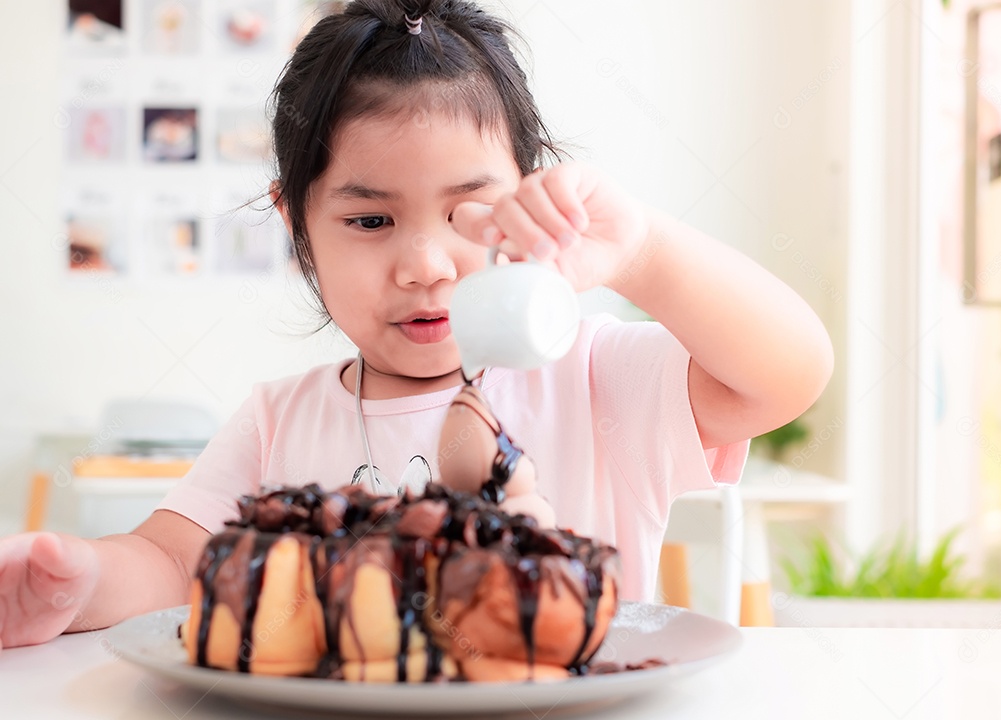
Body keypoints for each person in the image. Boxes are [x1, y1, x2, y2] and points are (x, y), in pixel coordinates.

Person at [0, 0, 832, 651]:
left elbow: (787, 374)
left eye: (470, 212)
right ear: (299, 230)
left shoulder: (593, 376)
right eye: (370, 222)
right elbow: (171, 562)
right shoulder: (276, 421)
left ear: (528, 201)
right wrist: (77, 579)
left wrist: (643, 252)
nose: (426, 263)